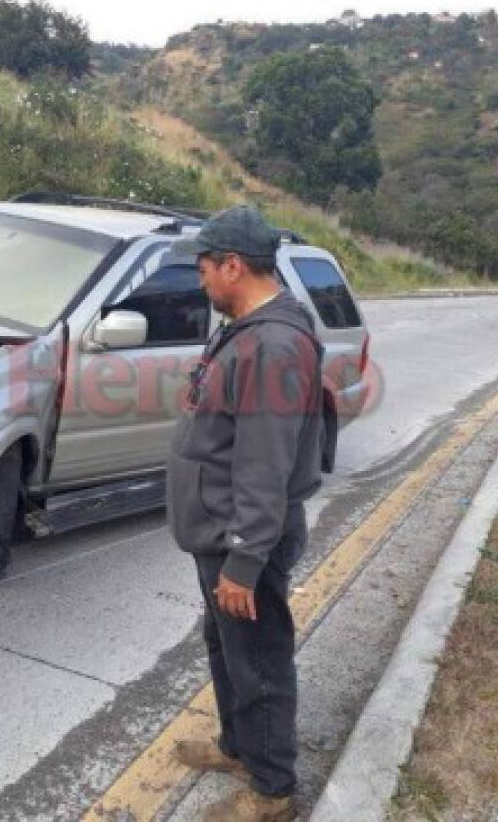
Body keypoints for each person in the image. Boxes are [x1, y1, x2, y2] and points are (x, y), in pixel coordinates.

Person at [166, 205, 324, 822]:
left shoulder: (274, 344)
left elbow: (265, 463)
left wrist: (245, 559)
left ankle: (271, 791)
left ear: (233, 265)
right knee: (227, 645)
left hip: (243, 536)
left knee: (257, 659)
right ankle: (239, 747)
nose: (201, 281)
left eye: (205, 268)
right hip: (223, 529)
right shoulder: (250, 328)